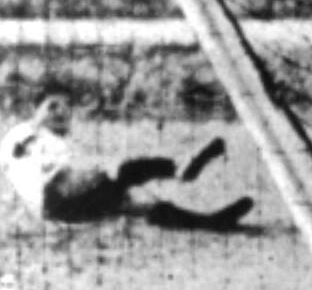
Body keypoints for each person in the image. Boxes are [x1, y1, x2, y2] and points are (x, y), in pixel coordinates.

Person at [0, 87, 253, 229]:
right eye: (52, 106)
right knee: (121, 170)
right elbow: (26, 158)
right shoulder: (26, 132)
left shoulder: (60, 141)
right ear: (34, 110)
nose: (60, 112)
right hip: (55, 197)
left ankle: (211, 222)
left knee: (140, 201)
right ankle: (179, 167)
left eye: (65, 107)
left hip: (63, 209)